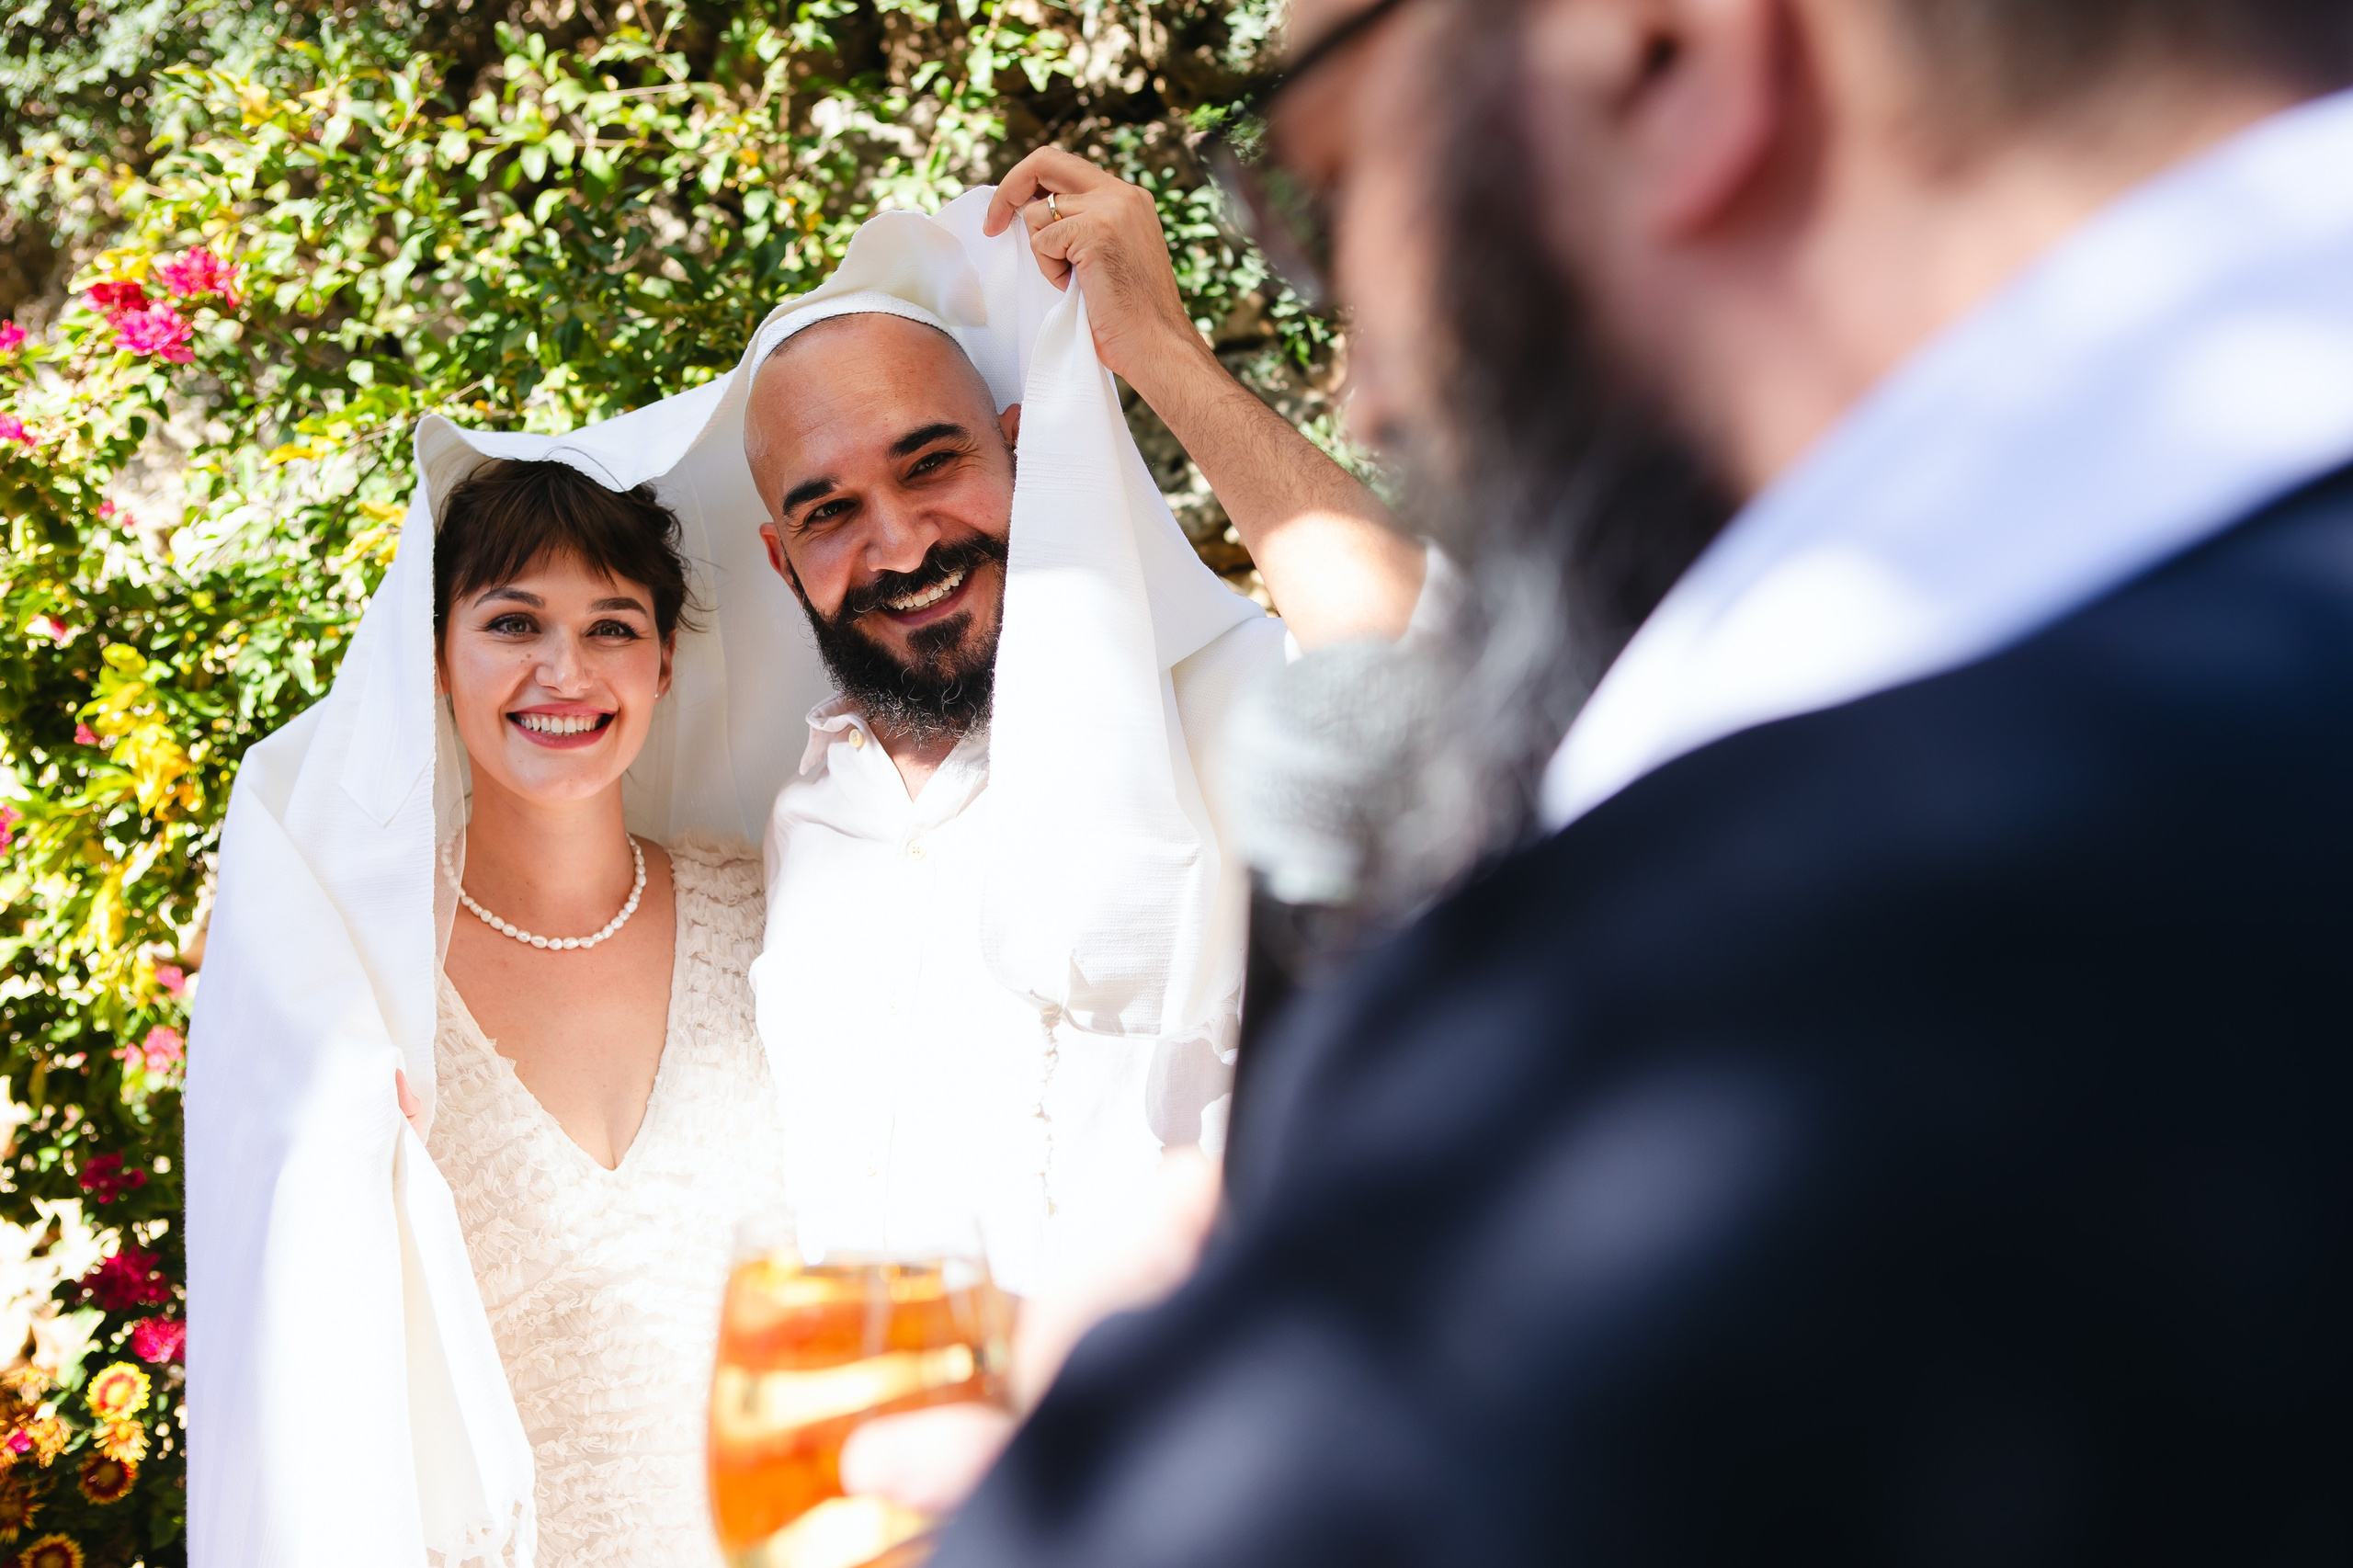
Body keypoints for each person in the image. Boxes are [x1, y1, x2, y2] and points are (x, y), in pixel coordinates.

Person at [917, 0, 2353, 1562]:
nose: (1372, 393)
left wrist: (1122, 1468)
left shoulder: (1729, 1004)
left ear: (1664, 52)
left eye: (1328, 191)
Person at [739, 153, 1431, 1298]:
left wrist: (1162, 347)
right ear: (780, 558)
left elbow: (1433, 672)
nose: (901, 545)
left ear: (1021, 446)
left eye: (932, 462)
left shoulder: (1205, 705)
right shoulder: (795, 813)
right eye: (830, 512)